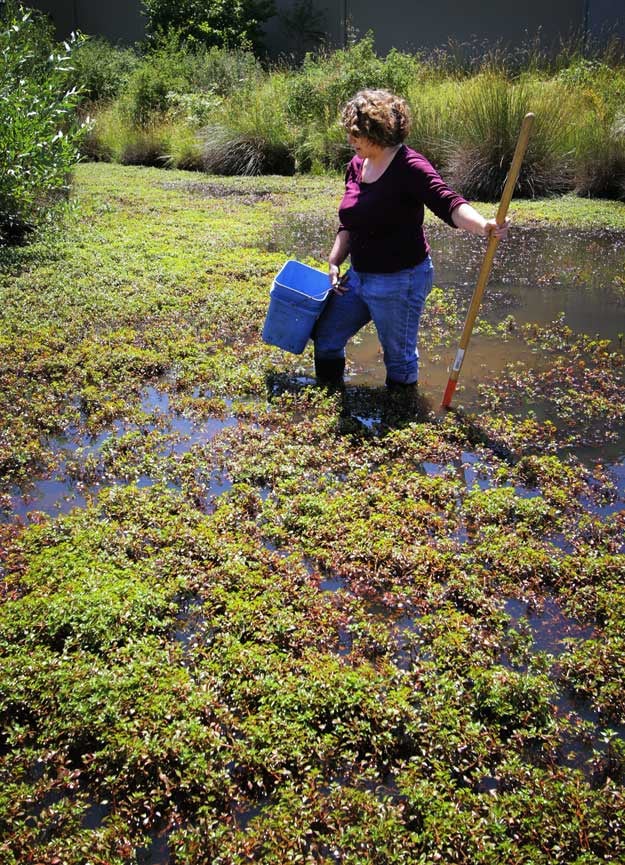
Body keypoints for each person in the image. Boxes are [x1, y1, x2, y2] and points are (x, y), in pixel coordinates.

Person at [313, 88, 509, 390]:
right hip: (359, 277)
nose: (350, 141)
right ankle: (328, 399)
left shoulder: (410, 166)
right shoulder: (356, 165)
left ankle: (402, 418)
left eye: (356, 134)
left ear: (377, 132)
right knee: (326, 335)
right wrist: (334, 261)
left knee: (399, 359)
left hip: (399, 280)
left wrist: (484, 226)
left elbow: (449, 203)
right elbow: (349, 222)